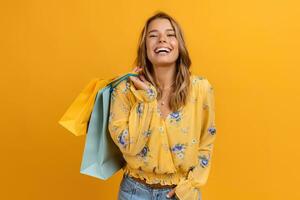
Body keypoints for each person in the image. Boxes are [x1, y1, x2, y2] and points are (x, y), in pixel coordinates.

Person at [108, 11, 217, 200]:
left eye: (170, 34)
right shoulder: (124, 90)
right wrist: (147, 99)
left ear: (179, 44)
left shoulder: (201, 89)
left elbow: (206, 142)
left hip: (180, 193)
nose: (162, 40)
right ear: (145, 47)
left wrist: (190, 185)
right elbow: (130, 147)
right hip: (134, 192)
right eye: (153, 35)